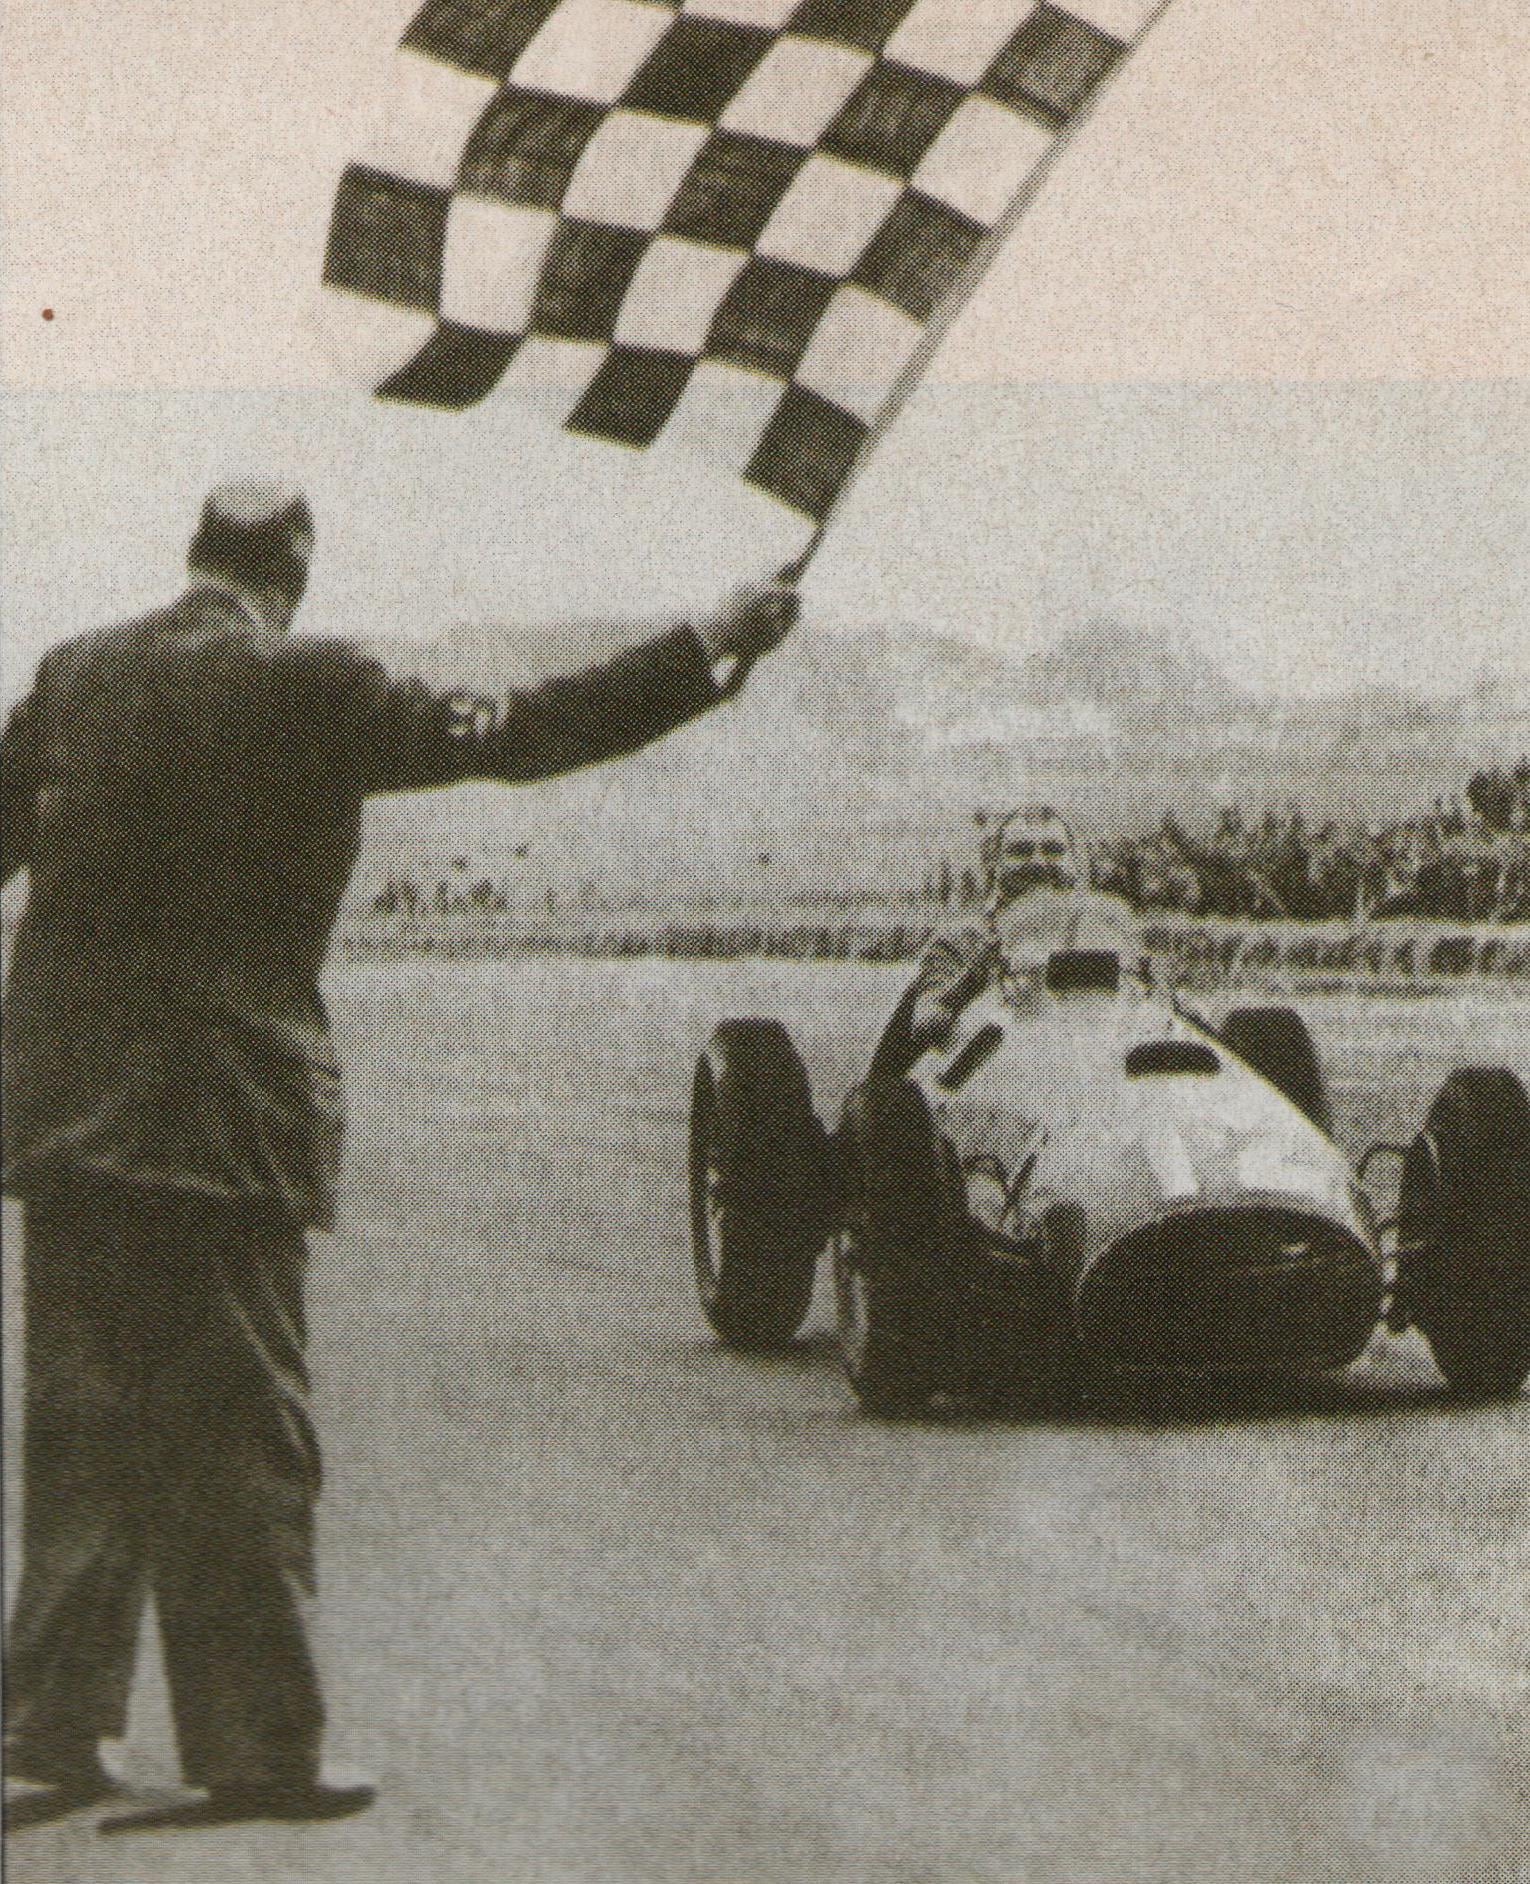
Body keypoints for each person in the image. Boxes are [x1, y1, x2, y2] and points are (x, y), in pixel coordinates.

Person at [0, 479, 799, 1827]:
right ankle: (256, 1752)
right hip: (221, 1115)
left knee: (83, 1422)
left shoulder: (74, 677)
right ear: (292, 575)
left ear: (193, 556)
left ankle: (46, 1737)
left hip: (62, 1117)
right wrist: (708, 641)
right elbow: (530, 731)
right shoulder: (318, 684)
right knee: (243, 1427)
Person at [875, 806, 1139, 1078]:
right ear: (994, 863)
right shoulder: (963, 940)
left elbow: (1153, 1002)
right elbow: (927, 1017)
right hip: (1001, 1078)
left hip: (1096, 1075)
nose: (1038, 862)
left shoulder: (1106, 933)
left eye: (1053, 850)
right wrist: (974, 978)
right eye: (1021, 851)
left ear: (1074, 861)